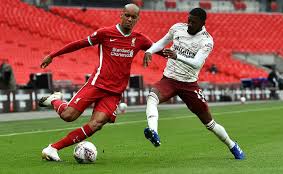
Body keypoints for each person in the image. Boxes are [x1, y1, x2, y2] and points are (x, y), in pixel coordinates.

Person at [39, 4, 156, 161]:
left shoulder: (140, 39)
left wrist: (150, 51)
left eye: (133, 17)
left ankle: (53, 148)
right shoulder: (105, 33)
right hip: (96, 84)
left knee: (97, 124)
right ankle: (54, 100)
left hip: (114, 92)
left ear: (137, 19)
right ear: (121, 15)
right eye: (127, 15)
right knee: (68, 116)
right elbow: (79, 43)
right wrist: (53, 55)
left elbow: (162, 49)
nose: (129, 19)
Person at [142, 8, 245, 159]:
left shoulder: (206, 40)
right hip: (169, 79)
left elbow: (197, 64)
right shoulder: (178, 28)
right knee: (152, 97)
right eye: (188, 20)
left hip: (189, 85)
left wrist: (177, 56)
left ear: (203, 23)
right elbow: (162, 42)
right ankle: (154, 132)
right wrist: (150, 51)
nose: (189, 24)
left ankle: (232, 145)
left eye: (193, 22)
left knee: (209, 123)